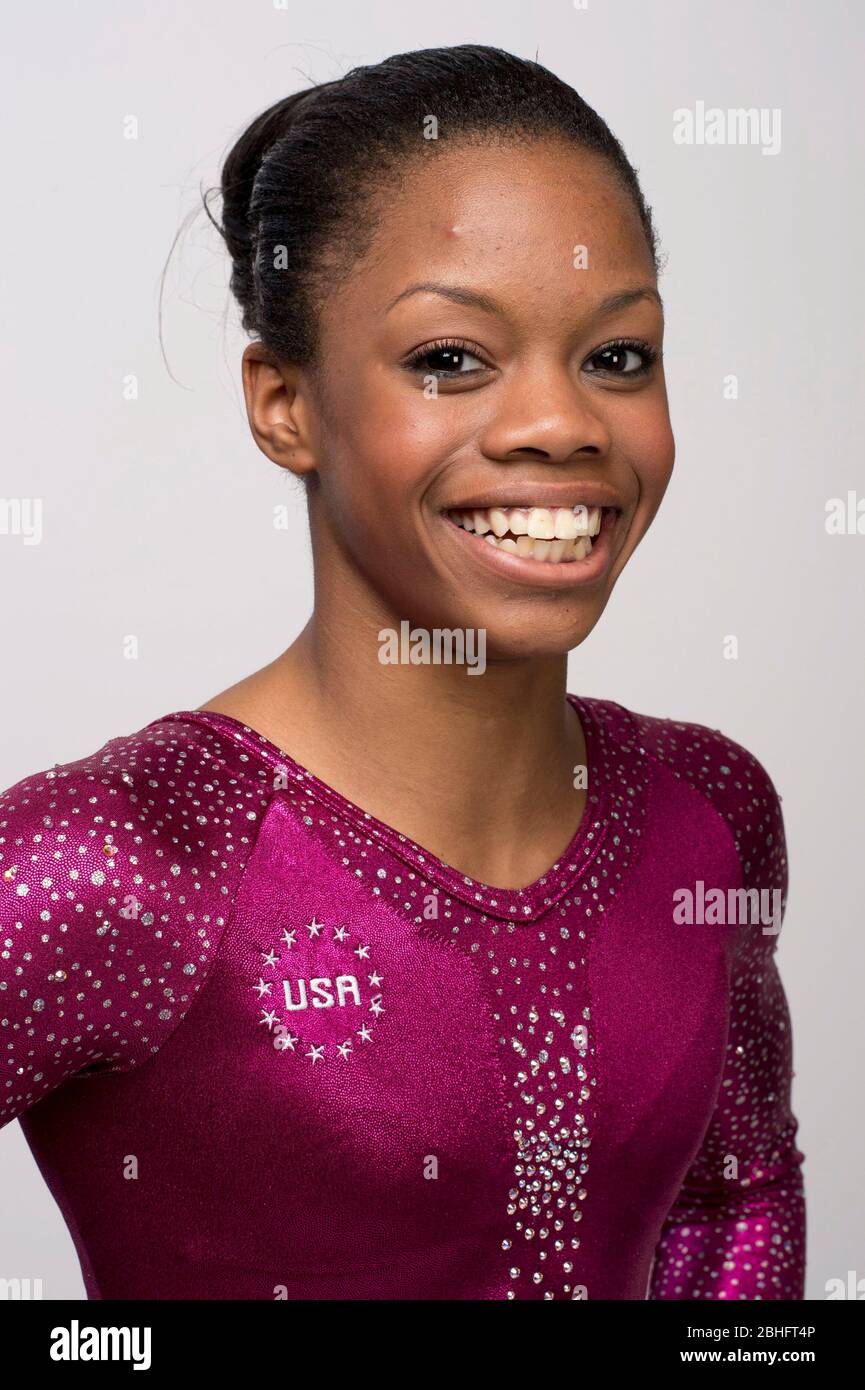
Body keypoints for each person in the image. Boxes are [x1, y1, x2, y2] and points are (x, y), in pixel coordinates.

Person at [0, 44, 805, 1300]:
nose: (563, 422)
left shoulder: (712, 813)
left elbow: (732, 1200)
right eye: (450, 357)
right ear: (284, 402)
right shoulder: (119, 861)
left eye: (615, 356)